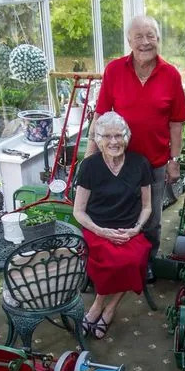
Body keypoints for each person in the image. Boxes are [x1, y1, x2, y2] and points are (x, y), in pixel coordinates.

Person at [86, 15, 185, 283]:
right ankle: (113, 261)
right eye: (139, 37)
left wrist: (174, 160)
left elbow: (176, 124)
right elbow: (100, 115)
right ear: (129, 41)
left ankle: (148, 261)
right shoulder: (114, 70)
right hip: (116, 161)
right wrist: (90, 155)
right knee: (115, 213)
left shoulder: (170, 75)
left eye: (150, 36)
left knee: (151, 218)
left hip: (154, 163)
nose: (145, 42)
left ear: (158, 39)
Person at [74, 112, 152, 339]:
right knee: (109, 263)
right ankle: (99, 304)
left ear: (127, 137)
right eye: (107, 136)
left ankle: (108, 308)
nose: (114, 141)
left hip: (129, 229)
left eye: (119, 135)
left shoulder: (140, 163)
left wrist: (136, 228)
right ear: (98, 139)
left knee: (133, 259)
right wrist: (101, 231)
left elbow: (147, 206)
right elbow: (78, 211)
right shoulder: (89, 166)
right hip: (97, 229)